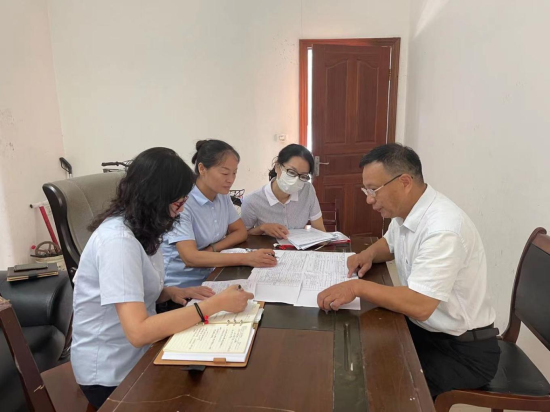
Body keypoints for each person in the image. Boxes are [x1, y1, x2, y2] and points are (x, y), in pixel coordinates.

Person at [71, 148, 253, 409]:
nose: (180, 211)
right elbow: (138, 331)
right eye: (177, 204)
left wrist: (170, 292)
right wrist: (213, 305)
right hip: (112, 373)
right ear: (154, 199)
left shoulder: (142, 227)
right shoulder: (117, 242)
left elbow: (133, 286)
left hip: (138, 354)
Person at [317, 143, 500, 398]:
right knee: (357, 350)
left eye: (373, 190)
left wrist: (356, 287)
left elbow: (420, 305)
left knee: (379, 389)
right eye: (366, 190)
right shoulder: (407, 211)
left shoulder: (443, 229)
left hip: (461, 350)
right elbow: (390, 243)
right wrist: (368, 254)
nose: (369, 199)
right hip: (425, 330)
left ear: (404, 182)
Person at [161, 140, 277, 296]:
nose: (231, 179)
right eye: (225, 173)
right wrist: (245, 258)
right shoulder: (183, 202)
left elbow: (240, 232)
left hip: (212, 274)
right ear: (202, 169)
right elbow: (190, 257)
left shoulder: (222, 195)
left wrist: (212, 250)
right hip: (181, 288)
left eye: (234, 173)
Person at [241, 144, 325, 239]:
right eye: (291, 172)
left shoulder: (307, 190)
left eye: (303, 176)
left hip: (298, 247)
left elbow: (320, 231)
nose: (296, 180)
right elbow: (242, 234)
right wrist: (261, 228)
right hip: (268, 247)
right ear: (277, 167)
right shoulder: (252, 201)